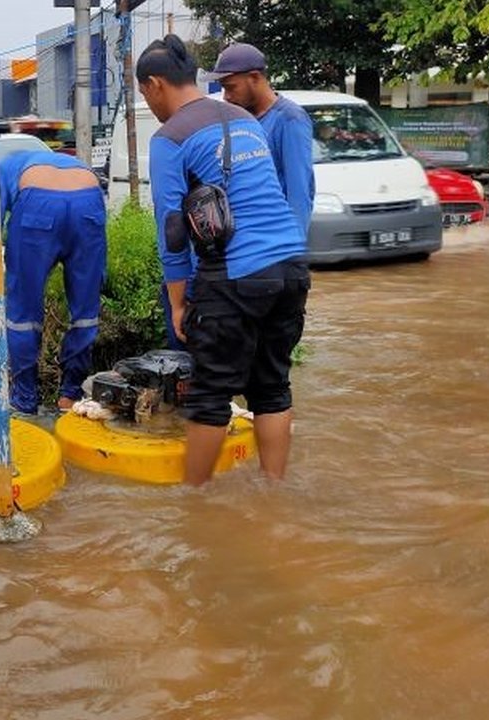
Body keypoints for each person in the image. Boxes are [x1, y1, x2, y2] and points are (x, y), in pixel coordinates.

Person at [137, 35, 310, 484]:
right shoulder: (247, 119)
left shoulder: (169, 138)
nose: (148, 102)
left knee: (209, 395)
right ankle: (274, 491)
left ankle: (195, 506)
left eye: (143, 93)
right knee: (272, 387)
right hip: (291, 266)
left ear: (155, 84)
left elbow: (172, 231)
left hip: (236, 275)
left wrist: (178, 302)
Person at [0, 149, 107, 415]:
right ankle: (69, 395)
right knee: (85, 312)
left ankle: (25, 400)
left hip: (37, 205)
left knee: (23, 314)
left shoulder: (5, 165)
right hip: (88, 201)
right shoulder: (72, 163)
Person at [204, 42, 315, 236]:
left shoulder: (289, 119)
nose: (226, 97)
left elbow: (299, 193)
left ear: (254, 77)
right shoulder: (239, 119)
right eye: (223, 89)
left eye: (231, 88)